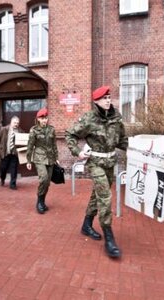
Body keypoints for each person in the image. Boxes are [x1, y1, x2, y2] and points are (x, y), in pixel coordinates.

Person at [65, 86, 128, 258]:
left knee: (97, 195)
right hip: (95, 163)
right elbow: (70, 134)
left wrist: (142, 150)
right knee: (105, 197)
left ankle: (86, 225)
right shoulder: (89, 119)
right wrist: (77, 152)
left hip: (110, 163)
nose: (108, 100)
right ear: (96, 101)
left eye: (109, 97)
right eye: (104, 98)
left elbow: (123, 141)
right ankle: (109, 238)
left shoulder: (116, 118)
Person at [26, 108, 59, 214]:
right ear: (38, 119)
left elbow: (54, 145)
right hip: (39, 158)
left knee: (47, 182)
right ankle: (39, 202)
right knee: (43, 178)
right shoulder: (34, 130)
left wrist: (56, 158)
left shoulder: (51, 129)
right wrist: (28, 160)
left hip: (50, 158)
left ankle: (42, 201)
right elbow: (30, 145)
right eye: (42, 118)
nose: (44, 120)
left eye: (46, 118)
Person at [0, 116, 23, 189]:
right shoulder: (4, 129)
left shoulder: (20, 131)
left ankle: (13, 184)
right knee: (3, 168)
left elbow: (23, 141)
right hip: (5, 152)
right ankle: (2, 179)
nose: (16, 124)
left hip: (14, 153)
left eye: (17, 123)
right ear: (11, 122)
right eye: (15, 122)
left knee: (14, 169)